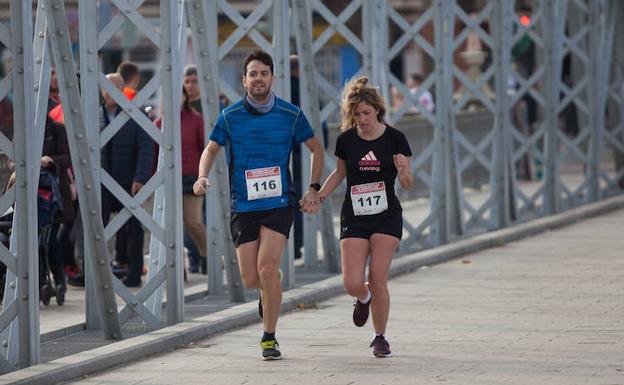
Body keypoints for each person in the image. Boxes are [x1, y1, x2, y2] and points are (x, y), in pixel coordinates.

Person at [193, 49, 324, 360]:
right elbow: (211, 150)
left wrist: (313, 188)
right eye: (253, 74)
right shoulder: (230, 116)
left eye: (264, 73)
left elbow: (317, 149)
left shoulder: (291, 114)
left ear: (273, 77)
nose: (258, 78)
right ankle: (270, 285)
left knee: (266, 267)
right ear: (244, 80)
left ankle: (269, 337)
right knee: (252, 278)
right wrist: (201, 176)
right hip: (245, 204)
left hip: (279, 201)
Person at [318, 76, 413, 358]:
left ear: (378, 110)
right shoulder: (346, 140)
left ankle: (380, 337)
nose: (362, 119)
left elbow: (407, 184)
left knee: (378, 275)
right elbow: (339, 173)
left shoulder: (396, 138)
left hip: (387, 216)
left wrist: (405, 171)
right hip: (355, 216)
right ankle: (363, 297)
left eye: (367, 113)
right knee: (351, 282)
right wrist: (318, 196)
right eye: (357, 114)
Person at [100, 73, 153, 287]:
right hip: (101, 182)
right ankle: (100, 274)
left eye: (113, 88)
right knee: (98, 228)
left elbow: (146, 148)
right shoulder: (95, 115)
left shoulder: (136, 115)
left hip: (128, 181)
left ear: (122, 89)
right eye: (105, 88)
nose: (108, 92)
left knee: (133, 228)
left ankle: (133, 273)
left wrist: (140, 178)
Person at [155, 87, 208, 275]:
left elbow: (206, 149)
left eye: (181, 93)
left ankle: (207, 255)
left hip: (191, 178)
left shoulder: (196, 120)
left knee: (193, 221)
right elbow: (154, 156)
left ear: (185, 96)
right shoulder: (159, 123)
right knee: (171, 226)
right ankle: (178, 267)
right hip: (168, 181)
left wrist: (205, 175)